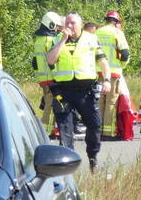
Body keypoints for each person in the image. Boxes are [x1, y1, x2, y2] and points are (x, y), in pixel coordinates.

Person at [46, 13, 111, 172]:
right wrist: (63, 40)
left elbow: (103, 61)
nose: (69, 26)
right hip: (64, 91)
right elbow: (50, 60)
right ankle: (68, 167)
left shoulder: (91, 38)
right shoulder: (57, 39)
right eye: (67, 23)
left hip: (85, 90)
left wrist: (107, 79)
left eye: (72, 23)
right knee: (65, 129)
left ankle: (93, 157)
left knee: (95, 124)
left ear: (80, 25)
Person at [96, 11, 131, 140]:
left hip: (97, 72)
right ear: (116, 21)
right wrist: (122, 64)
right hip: (113, 72)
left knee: (99, 102)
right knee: (111, 102)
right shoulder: (117, 33)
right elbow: (125, 53)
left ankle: (97, 131)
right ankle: (108, 133)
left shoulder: (97, 32)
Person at [32, 12, 63, 133]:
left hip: (43, 78)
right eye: (55, 26)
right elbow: (54, 59)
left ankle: (52, 129)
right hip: (51, 77)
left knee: (48, 104)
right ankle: (46, 131)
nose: (56, 29)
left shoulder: (38, 40)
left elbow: (35, 62)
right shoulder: (50, 40)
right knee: (50, 105)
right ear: (50, 25)